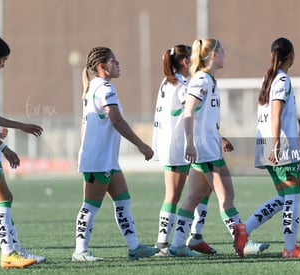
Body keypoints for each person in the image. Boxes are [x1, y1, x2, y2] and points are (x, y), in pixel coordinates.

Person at [167, 38, 269, 257]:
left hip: (208, 146)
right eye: (222, 51)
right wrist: (192, 144)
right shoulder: (202, 80)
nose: (225, 54)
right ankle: (242, 242)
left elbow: (202, 117)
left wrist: (219, 136)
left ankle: (176, 245)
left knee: (193, 197)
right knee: (226, 196)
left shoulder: (208, 80)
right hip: (204, 150)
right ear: (213, 55)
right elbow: (188, 113)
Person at [72, 46, 159, 261]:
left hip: (107, 159)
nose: (118, 64)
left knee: (123, 201)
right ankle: (80, 251)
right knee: (90, 206)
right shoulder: (104, 88)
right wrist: (141, 145)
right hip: (97, 160)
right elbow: (117, 121)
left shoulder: (95, 85)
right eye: (113, 61)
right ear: (102, 66)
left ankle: (134, 246)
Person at [239, 37, 300, 258]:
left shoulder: (269, 78)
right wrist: (276, 146)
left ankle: (244, 230)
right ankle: (290, 249)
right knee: (293, 197)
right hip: (281, 146)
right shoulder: (282, 79)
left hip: (266, 146)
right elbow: (276, 115)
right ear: (291, 56)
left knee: (284, 198)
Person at [0, 36, 46, 264]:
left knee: (3, 198)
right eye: (4, 61)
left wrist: (21, 126)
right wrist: (3, 147)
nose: (3, 65)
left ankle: (14, 249)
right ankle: (9, 253)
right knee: (4, 198)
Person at [152, 44, 216, 255]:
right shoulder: (182, 84)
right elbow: (193, 110)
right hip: (179, 144)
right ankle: (165, 244)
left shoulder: (167, 82)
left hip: (171, 142)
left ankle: (195, 235)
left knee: (203, 188)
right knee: (175, 194)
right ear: (185, 62)